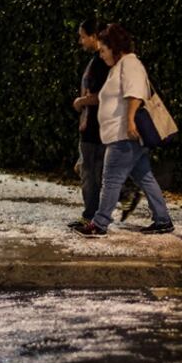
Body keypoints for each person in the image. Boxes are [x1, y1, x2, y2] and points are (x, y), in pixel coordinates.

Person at [75, 24, 174, 238]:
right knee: (146, 177)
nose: (100, 55)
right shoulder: (121, 66)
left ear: (114, 47)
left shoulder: (130, 64)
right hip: (123, 135)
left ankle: (100, 223)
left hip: (124, 136)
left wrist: (129, 122)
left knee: (110, 179)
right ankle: (163, 219)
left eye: (103, 50)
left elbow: (135, 94)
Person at [69, 18, 109, 231]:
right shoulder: (98, 60)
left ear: (94, 36)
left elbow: (102, 95)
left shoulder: (100, 62)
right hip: (90, 127)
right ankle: (92, 216)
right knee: (91, 173)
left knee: (91, 176)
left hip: (95, 128)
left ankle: (92, 217)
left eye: (83, 36)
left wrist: (81, 101)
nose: (80, 41)